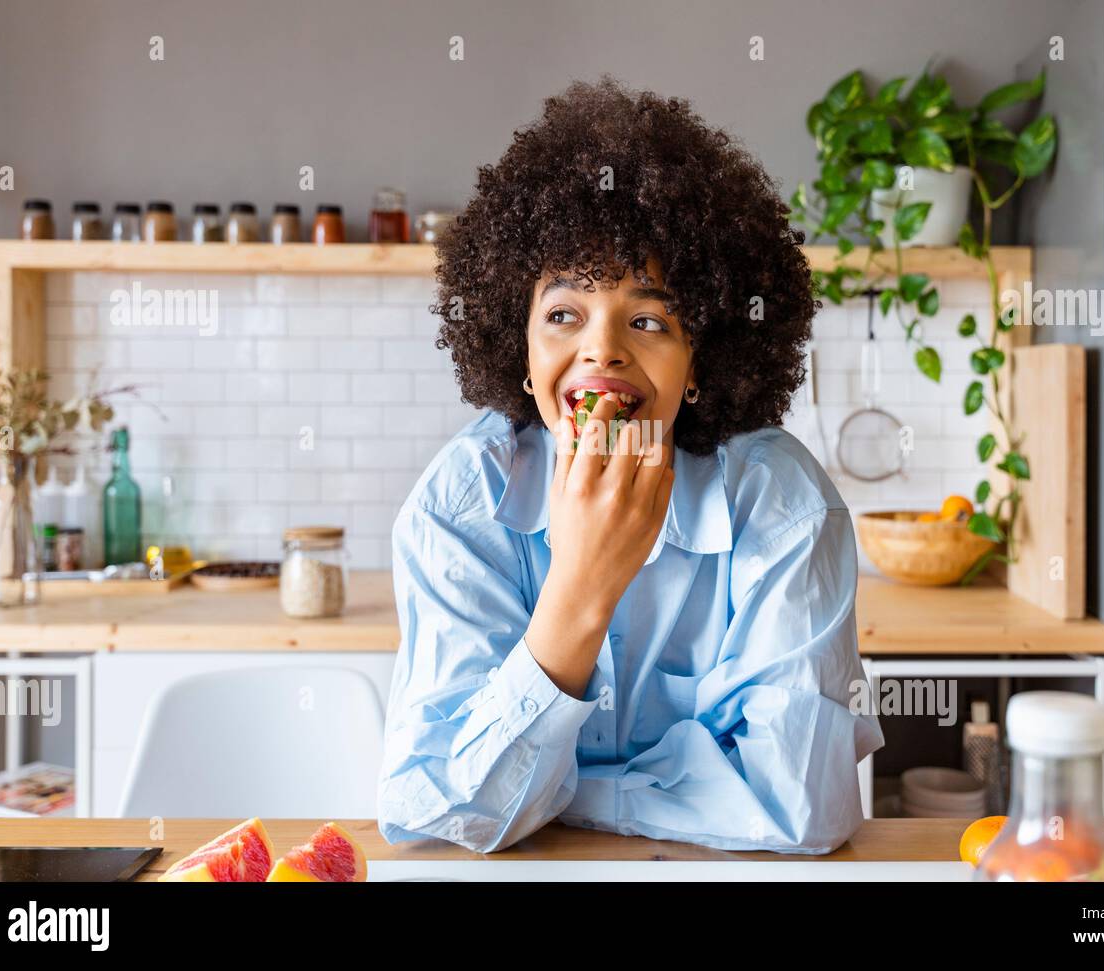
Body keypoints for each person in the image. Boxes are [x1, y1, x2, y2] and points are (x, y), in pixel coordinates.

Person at [377, 76, 883, 854]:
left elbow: (798, 808)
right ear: (520, 350)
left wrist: (562, 791)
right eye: (562, 315)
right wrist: (581, 585)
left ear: (699, 360)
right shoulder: (462, 501)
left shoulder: (785, 506)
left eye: (648, 318)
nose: (602, 349)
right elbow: (441, 810)